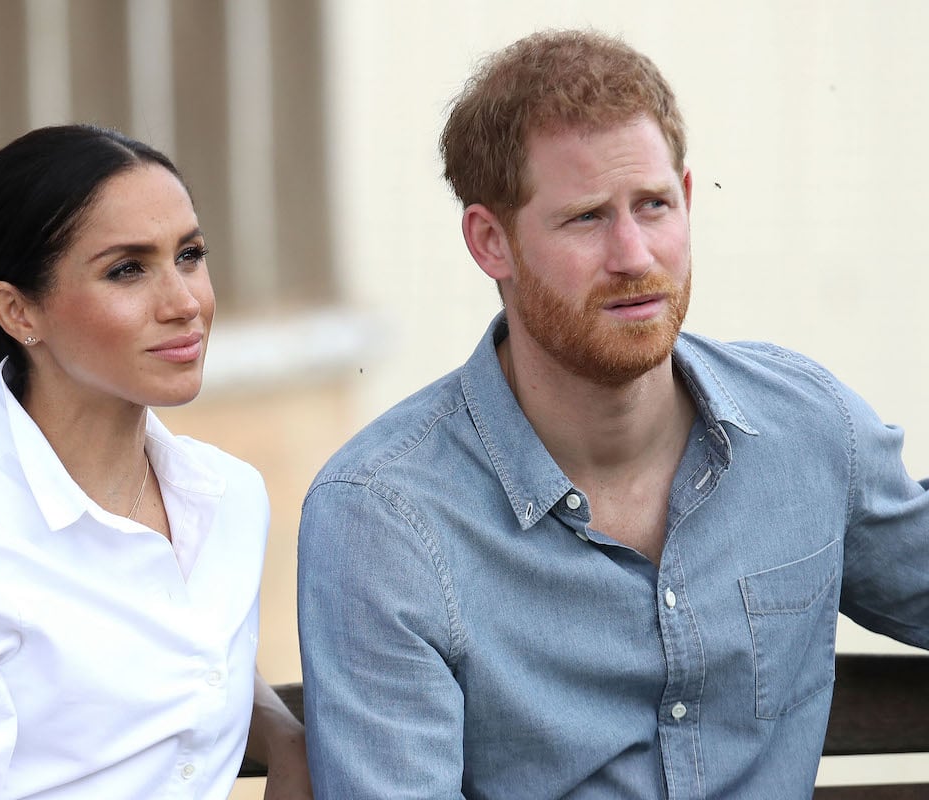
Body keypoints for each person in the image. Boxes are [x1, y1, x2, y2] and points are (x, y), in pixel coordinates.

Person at [297, 29, 929, 799]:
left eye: (653, 206)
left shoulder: (809, 432)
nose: (634, 254)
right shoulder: (384, 520)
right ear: (490, 241)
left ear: (688, 201)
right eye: (588, 218)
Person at [0, 125, 311, 799]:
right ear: (18, 310)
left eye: (189, 255)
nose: (185, 303)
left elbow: (184, 653)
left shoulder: (227, 497)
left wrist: (283, 735)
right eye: (127, 269)